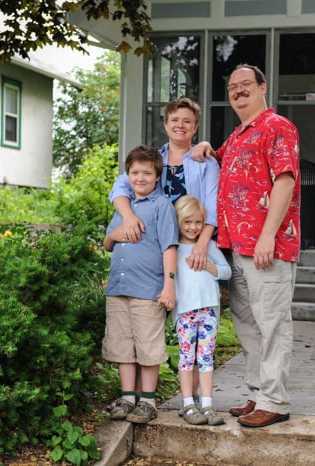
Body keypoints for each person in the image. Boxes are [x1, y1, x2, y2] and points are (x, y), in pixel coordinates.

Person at [191, 64, 301, 428]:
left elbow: (284, 181)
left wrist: (268, 234)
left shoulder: (277, 126)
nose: (238, 91)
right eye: (232, 87)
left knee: (272, 324)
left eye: (245, 85)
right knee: (248, 325)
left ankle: (276, 400)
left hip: (267, 247)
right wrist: (207, 146)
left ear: (262, 87)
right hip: (236, 246)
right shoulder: (239, 134)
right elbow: (221, 161)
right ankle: (258, 393)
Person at [108, 97, 220, 405]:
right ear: (165, 124)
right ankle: (148, 395)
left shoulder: (204, 161)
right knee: (155, 319)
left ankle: (193, 398)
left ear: (195, 127)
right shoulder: (152, 160)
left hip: (188, 247)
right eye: (175, 120)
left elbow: (212, 204)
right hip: (152, 249)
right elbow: (120, 187)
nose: (180, 125)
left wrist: (201, 246)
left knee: (193, 318)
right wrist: (129, 216)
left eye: (187, 121)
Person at [102, 145, 178, 424]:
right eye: (135, 172)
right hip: (119, 288)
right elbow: (108, 242)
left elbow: (169, 248)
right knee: (122, 345)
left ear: (157, 176)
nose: (141, 178)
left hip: (148, 290)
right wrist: (116, 234)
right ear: (128, 174)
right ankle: (127, 397)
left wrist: (169, 286)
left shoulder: (162, 206)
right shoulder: (124, 205)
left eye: (147, 173)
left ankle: (147, 399)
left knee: (148, 346)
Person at [172, 195, 231, 426]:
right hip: (185, 311)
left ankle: (207, 405)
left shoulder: (208, 246)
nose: (193, 227)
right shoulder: (173, 249)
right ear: (179, 221)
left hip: (209, 311)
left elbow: (227, 272)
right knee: (187, 359)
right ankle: (188, 403)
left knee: (206, 359)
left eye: (198, 222)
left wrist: (207, 264)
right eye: (187, 222)